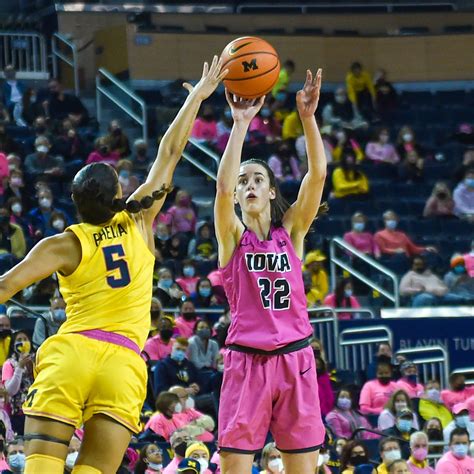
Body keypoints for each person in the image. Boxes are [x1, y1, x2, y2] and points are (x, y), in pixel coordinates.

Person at [0, 55, 226, 473]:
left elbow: (5, 287)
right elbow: (171, 150)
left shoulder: (65, 242)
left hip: (73, 355)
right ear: (118, 194)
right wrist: (197, 94)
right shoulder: (139, 219)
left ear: (76, 204)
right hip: (122, 363)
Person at [215, 69, 326, 473]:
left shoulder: (292, 232)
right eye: (244, 179)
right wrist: (240, 123)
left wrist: (308, 119)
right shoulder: (231, 236)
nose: (249, 185)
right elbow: (222, 190)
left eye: (258, 179)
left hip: (295, 360)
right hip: (247, 362)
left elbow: (317, 177)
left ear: (272, 191)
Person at [2, 331, 34, 434]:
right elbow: (10, 391)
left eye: (25, 339)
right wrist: (20, 367)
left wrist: (32, 368)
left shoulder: (37, 361)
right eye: (19, 340)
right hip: (18, 415)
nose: (23, 342)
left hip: (36, 412)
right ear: (13, 344)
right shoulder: (9, 364)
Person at [400, 256, 464, 307]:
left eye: (421, 264)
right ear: (412, 265)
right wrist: (418, 290)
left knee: (457, 298)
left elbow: (444, 287)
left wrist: (442, 290)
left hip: (440, 296)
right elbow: (402, 290)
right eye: (417, 264)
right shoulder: (409, 276)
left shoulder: (432, 275)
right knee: (426, 298)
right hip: (420, 295)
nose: (420, 266)